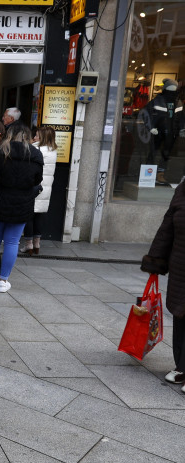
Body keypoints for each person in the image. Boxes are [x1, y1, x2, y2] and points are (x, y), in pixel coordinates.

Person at [0, 121, 43, 293]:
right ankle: (4, 281)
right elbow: (37, 180)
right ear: (27, 136)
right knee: (12, 242)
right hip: (22, 204)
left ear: (9, 134)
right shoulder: (35, 154)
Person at [141, 182, 185, 391]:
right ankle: (182, 366)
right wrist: (156, 260)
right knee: (180, 313)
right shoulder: (184, 188)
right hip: (181, 265)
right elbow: (168, 226)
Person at [21, 126, 58, 255]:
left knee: (29, 216)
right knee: (39, 216)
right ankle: (37, 244)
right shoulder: (53, 151)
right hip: (46, 188)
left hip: (35, 187)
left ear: (42, 137)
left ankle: (29, 245)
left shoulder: (36, 149)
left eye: (36, 135)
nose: (34, 137)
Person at [146, 79, 184, 184]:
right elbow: (146, 114)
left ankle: (160, 174)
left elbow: (181, 117)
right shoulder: (157, 101)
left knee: (166, 154)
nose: (172, 90)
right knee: (154, 151)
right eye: (169, 88)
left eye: (174, 88)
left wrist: (182, 128)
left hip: (172, 133)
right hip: (158, 132)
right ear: (165, 88)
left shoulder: (179, 102)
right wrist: (151, 127)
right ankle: (148, 174)